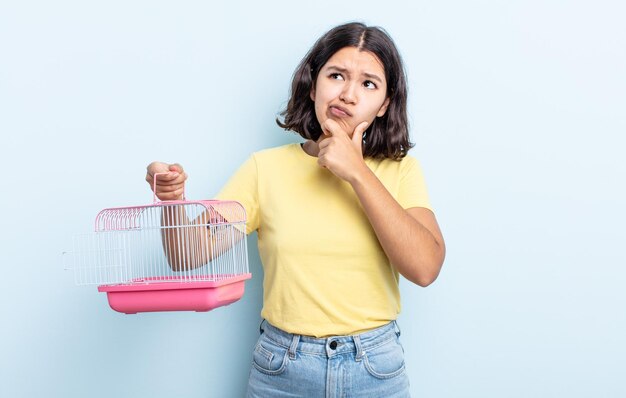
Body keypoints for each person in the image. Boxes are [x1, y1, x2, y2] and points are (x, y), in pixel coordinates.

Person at [146, 22, 445, 398]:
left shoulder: (401, 170)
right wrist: (171, 201)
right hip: (282, 369)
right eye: (337, 75)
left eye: (369, 83)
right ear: (313, 83)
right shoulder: (263, 169)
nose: (349, 95)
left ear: (385, 103)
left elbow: (425, 268)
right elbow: (187, 256)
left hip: (374, 368)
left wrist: (357, 172)